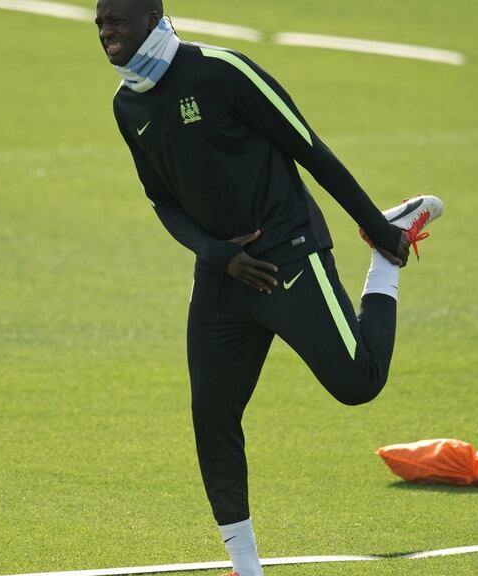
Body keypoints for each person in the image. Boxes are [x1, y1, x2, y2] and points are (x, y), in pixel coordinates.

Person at [96, 1, 443, 574]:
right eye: (99, 24)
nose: (106, 32)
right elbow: (162, 200)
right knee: (212, 416)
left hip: (289, 255)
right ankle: (245, 565)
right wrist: (218, 255)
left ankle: (391, 244)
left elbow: (309, 147)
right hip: (224, 273)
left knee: (358, 383)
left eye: (116, 21)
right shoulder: (127, 105)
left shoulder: (222, 70)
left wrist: (380, 233)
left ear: (154, 18)